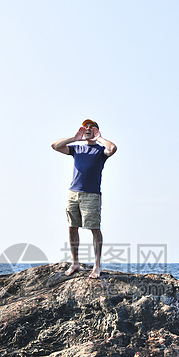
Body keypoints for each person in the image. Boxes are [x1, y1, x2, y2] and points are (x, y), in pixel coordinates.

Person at [51, 119, 117, 278]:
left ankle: (97, 266)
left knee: (94, 229)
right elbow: (55, 146)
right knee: (72, 227)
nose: (87, 129)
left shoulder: (101, 151)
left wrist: (99, 138)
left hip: (92, 195)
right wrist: (74, 138)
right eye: (85, 127)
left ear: (96, 131)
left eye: (91, 127)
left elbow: (112, 148)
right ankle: (75, 263)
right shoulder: (77, 148)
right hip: (73, 193)